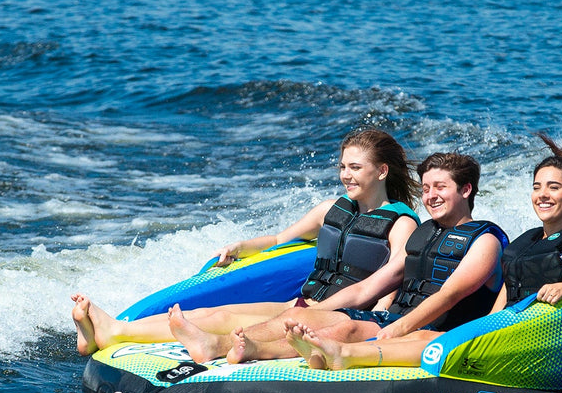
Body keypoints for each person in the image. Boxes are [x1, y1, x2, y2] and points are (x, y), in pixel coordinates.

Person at [285, 133, 562, 371]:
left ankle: (345, 355)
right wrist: (486, 329)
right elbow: (505, 294)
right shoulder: (528, 240)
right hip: (508, 330)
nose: (542, 195)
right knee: (423, 336)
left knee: (428, 339)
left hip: (538, 340)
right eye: (536, 187)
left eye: (554, 187)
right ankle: (338, 353)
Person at [71, 129, 418, 357]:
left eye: (355, 167)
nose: (345, 175)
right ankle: (114, 331)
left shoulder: (400, 223)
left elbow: (390, 282)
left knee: (236, 325)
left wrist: (372, 323)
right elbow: (280, 239)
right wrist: (239, 247)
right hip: (304, 303)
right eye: (342, 166)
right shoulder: (331, 209)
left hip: (338, 317)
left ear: (382, 171)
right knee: (215, 313)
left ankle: (125, 334)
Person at [174, 151, 507, 364]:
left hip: (438, 334)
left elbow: (450, 295)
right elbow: (368, 288)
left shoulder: (485, 240)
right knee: (303, 317)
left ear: (465, 190)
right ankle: (218, 344)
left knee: (347, 330)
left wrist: (399, 327)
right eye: (426, 188)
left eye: (440, 187)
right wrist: (315, 310)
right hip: (395, 319)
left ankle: (266, 350)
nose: (430, 196)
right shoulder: (424, 234)